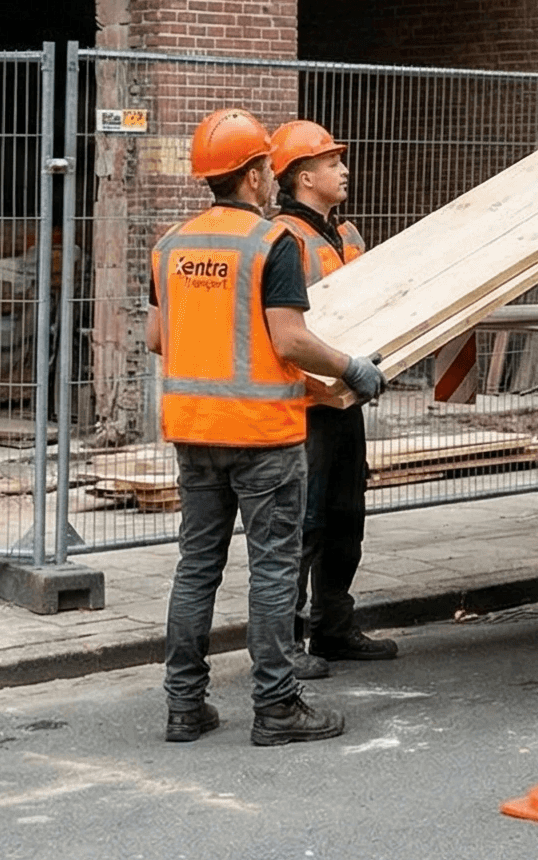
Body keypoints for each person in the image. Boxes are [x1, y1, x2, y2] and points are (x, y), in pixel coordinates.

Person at [152, 108, 386, 747]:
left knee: (197, 568)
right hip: (263, 436)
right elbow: (290, 339)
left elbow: (155, 336)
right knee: (274, 570)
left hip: (195, 433)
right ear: (256, 174)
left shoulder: (170, 244)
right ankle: (277, 708)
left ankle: (183, 707)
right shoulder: (270, 244)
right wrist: (352, 370)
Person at [268, 119, 401, 676]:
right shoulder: (283, 240)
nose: (343, 170)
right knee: (305, 524)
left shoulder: (347, 237)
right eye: (331, 162)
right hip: (304, 409)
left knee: (347, 517)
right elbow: (288, 333)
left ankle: (333, 626)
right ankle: (289, 639)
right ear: (302, 177)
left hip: (345, 403)